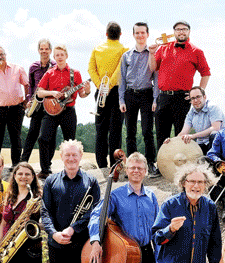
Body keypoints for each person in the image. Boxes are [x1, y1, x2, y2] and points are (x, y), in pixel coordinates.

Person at [88, 152, 159, 263]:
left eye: (140, 168)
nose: (136, 171)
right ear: (126, 170)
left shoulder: (151, 197)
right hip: (125, 255)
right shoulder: (116, 195)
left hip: (147, 253)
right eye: (132, 167)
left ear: (145, 171)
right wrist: (96, 241)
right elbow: (97, 215)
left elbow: (157, 228)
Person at [41, 140, 100, 263]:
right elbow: (45, 212)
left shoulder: (91, 182)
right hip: (57, 244)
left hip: (81, 246)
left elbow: (94, 213)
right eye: (67, 155)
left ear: (81, 156)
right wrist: (54, 233)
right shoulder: (51, 181)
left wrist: (73, 229)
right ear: (61, 157)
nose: (71, 158)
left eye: (75, 155)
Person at [149, 21, 211, 150]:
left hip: (183, 98)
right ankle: (161, 167)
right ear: (174, 32)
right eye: (178, 29)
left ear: (189, 31)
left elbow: (206, 73)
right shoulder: (164, 47)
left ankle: (182, 168)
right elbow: (153, 68)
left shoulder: (197, 51)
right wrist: (151, 53)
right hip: (164, 97)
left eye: (184, 29)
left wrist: (199, 93)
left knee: (182, 135)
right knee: (161, 134)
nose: (181, 32)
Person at [36, 45, 92, 179]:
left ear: (66, 56)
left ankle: (71, 170)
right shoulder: (49, 73)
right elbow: (39, 92)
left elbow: (82, 94)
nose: (60, 57)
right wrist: (52, 93)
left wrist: (88, 90)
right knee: (43, 138)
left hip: (68, 111)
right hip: (51, 110)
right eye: (57, 55)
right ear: (54, 57)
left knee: (70, 141)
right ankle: (45, 170)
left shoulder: (75, 73)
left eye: (62, 54)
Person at [119, 22, 160, 177]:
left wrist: (155, 98)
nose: (140, 35)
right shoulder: (126, 56)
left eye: (143, 33)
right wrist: (121, 100)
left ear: (147, 34)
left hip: (147, 94)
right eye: (137, 33)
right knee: (130, 132)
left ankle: (150, 162)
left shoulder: (153, 54)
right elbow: (122, 79)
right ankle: (131, 165)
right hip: (130, 95)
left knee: (147, 130)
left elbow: (156, 78)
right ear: (134, 34)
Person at [88, 21, 128, 168]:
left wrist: (101, 86)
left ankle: (101, 164)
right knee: (115, 130)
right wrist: (109, 85)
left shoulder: (96, 49)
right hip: (117, 91)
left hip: (101, 91)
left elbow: (91, 69)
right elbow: (120, 70)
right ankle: (115, 164)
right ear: (120, 34)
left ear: (106, 34)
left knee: (101, 130)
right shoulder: (124, 49)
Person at [20, 38, 56, 163]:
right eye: (42, 49)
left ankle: (47, 165)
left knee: (49, 137)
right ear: (38, 50)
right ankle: (23, 162)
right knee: (32, 134)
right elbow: (31, 85)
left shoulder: (55, 66)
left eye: (46, 49)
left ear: (50, 50)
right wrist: (29, 100)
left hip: (50, 105)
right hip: (36, 103)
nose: (44, 51)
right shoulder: (33, 67)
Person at [171, 86, 225, 155]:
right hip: (201, 144)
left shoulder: (212, 107)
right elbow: (183, 132)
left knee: (214, 134)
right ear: (190, 100)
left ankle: (215, 161)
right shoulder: (191, 113)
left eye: (198, 97)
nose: (196, 100)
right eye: (193, 98)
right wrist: (172, 141)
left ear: (204, 97)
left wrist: (193, 136)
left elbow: (216, 128)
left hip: (219, 143)